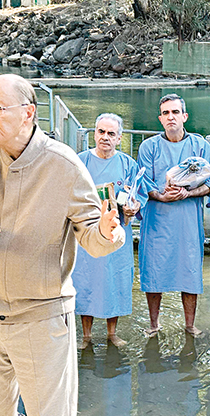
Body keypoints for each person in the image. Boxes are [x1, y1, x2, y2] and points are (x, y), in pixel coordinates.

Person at [0, 74, 124, 416]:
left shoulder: (64, 165)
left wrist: (109, 232)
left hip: (42, 320)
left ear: (28, 113)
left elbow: (93, 235)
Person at [137, 93, 210, 337]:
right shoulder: (148, 147)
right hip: (157, 220)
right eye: (166, 113)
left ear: (185, 116)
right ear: (160, 118)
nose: (171, 117)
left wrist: (188, 193)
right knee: (154, 269)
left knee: (189, 270)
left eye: (175, 112)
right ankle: (153, 324)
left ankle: (190, 324)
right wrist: (160, 195)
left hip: (187, 221)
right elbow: (144, 182)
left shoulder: (200, 146)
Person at [72, 113, 147, 348]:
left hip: (117, 232)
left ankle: (112, 333)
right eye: (101, 132)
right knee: (87, 281)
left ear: (119, 138)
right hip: (87, 234)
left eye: (111, 134)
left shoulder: (128, 164)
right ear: (94, 133)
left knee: (115, 281)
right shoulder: (80, 162)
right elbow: (69, 195)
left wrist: (134, 207)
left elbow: (138, 194)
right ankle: (86, 335)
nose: (105, 137)